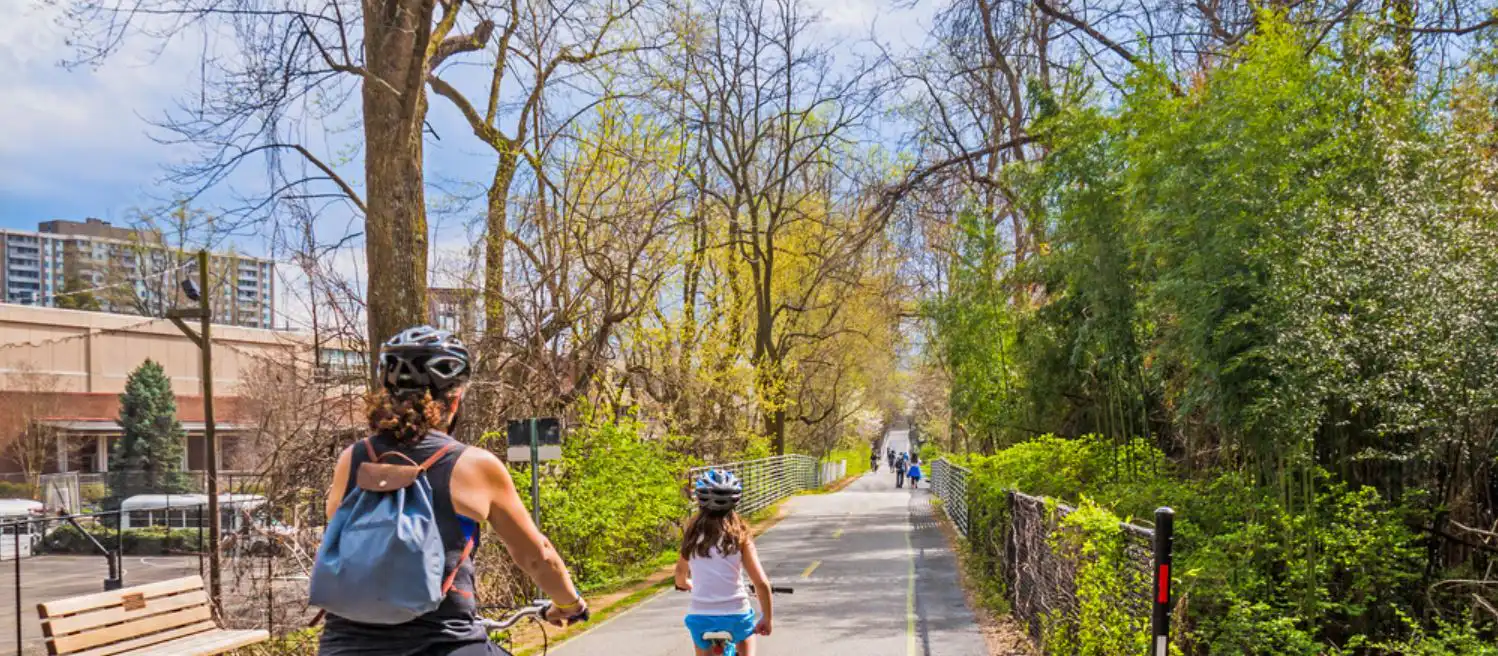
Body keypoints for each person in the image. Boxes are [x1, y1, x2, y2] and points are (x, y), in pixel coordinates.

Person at [319, 326, 589, 656]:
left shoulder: (352, 459)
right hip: (445, 645)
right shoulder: (473, 465)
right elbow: (537, 556)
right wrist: (570, 603)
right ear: (456, 398)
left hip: (344, 647)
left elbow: (337, 534)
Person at [675, 470, 774, 656]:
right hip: (736, 615)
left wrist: (688, 584)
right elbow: (760, 583)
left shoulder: (692, 536)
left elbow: (680, 577)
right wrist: (766, 619)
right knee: (747, 635)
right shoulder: (740, 537)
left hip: (700, 616)